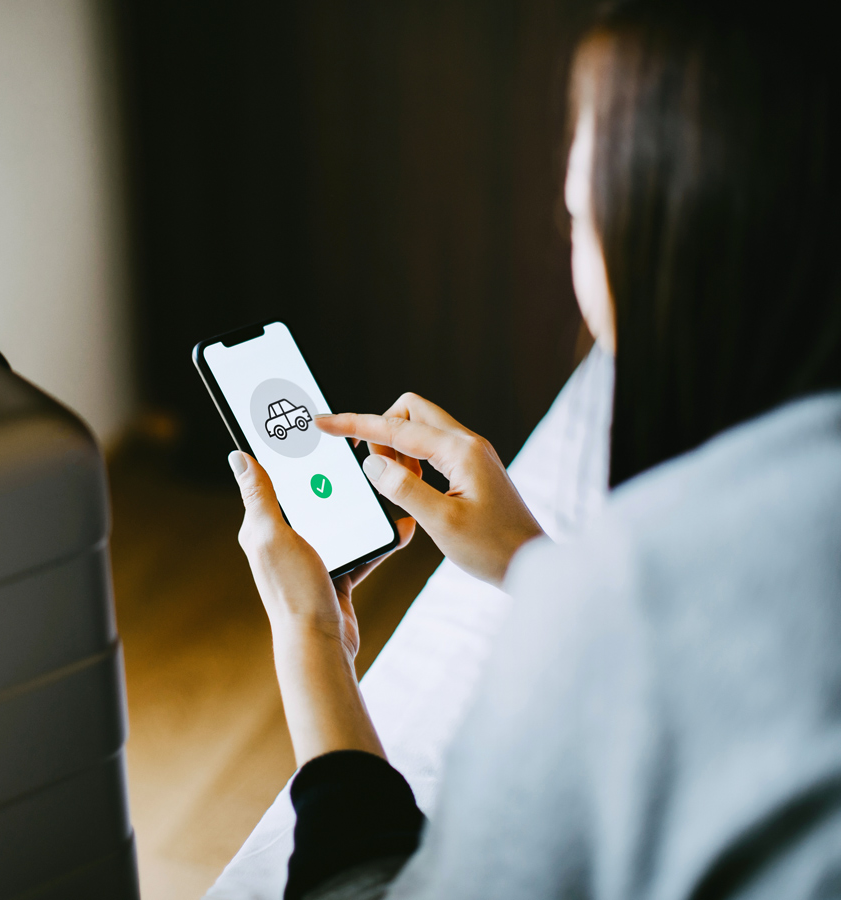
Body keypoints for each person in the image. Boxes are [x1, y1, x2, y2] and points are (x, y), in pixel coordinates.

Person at [225, 1, 841, 898]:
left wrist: (310, 636)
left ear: (685, 253)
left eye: (581, 221)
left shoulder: (627, 605)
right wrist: (532, 563)